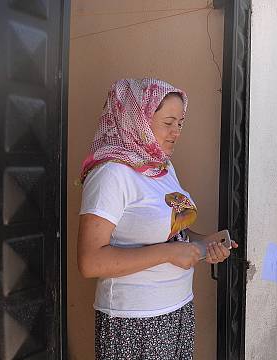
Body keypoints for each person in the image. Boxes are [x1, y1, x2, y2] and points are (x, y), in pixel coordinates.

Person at [77, 78, 236, 360]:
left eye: (181, 123)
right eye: (168, 122)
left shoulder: (161, 166)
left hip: (177, 308)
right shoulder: (111, 174)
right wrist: (168, 254)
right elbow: (90, 262)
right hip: (135, 320)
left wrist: (203, 243)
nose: (177, 132)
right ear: (137, 119)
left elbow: (172, 233)